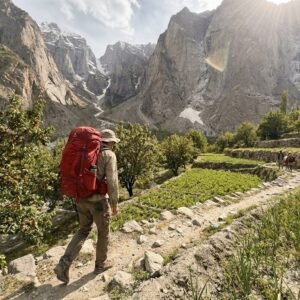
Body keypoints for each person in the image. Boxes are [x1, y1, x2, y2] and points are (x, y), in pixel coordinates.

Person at [54, 129, 120, 284]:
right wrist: (114, 204)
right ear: (109, 142)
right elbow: (112, 181)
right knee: (103, 232)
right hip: (98, 201)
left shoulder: (85, 151)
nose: (113, 145)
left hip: (81, 199)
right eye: (113, 143)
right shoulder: (108, 155)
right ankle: (100, 265)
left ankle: (63, 265)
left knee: (83, 230)